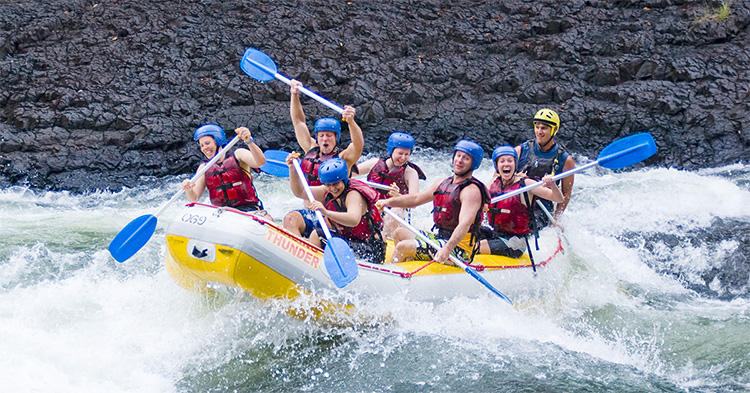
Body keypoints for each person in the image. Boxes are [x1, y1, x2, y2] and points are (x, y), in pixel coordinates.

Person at [376, 139, 490, 265]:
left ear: (474, 164)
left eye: (466, 158)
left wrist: (447, 249)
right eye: (458, 155)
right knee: (399, 232)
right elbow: (415, 199)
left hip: (459, 249)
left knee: (403, 246)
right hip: (441, 238)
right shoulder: (443, 183)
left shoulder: (471, 191)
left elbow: (464, 224)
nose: (459, 160)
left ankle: (391, 273)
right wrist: (389, 202)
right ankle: (408, 268)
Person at [283, 79, 364, 239]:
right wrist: (294, 95)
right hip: (309, 211)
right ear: (317, 137)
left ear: (336, 138)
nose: (325, 139)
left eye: (329, 135)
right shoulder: (310, 148)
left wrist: (351, 122)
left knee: (314, 232)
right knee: (290, 219)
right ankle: (300, 255)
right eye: (321, 135)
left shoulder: (343, 158)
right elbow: (298, 122)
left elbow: (358, 145)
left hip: (332, 214)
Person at [286, 155, 386, 264]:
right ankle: (307, 266)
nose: (333, 188)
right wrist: (292, 169)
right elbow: (300, 192)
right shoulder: (327, 191)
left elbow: (354, 219)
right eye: (328, 184)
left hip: (369, 246)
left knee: (319, 236)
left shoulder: (353, 195)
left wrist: (326, 212)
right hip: (347, 240)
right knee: (316, 235)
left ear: (344, 180)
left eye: (336, 184)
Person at [478, 145, 563, 258]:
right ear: (497, 166)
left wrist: (552, 185)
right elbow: (480, 199)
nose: (506, 164)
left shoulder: (526, 184)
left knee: (476, 246)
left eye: (510, 161)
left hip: (515, 242)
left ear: (515, 164)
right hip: (495, 233)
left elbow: (559, 198)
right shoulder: (494, 182)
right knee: (467, 237)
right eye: (502, 161)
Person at [181, 124, 272, 220]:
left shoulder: (238, 155)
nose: (204, 148)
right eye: (202, 145)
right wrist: (188, 189)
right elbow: (193, 198)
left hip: (248, 211)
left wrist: (249, 141)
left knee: (269, 219)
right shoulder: (204, 168)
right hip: (221, 215)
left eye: (207, 143)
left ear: (218, 141)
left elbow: (260, 162)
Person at [356, 131, 426, 237]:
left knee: (395, 211)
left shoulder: (410, 173)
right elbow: (349, 174)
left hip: (393, 212)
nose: (403, 158)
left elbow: (414, 201)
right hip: (372, 207)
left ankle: (386, 240)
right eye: (400, 153)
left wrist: (398, 196)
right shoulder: (374, 163)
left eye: (407, 154)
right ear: (391, 151)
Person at [514, 108, 575, 225]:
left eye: (544, 128)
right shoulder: (520, 150)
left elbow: (566, 193)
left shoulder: (566, 160)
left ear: (554, 130)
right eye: (537, 127)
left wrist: (557, 218)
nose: (539, 132)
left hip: (542, 208)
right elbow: (500, 176)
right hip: (518, 202)